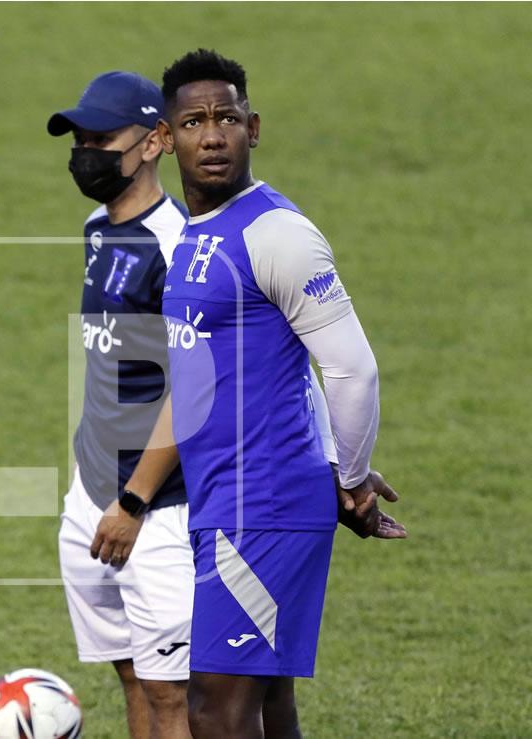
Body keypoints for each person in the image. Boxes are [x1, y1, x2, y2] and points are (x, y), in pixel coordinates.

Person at [152, 49, 406, 737]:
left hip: (260, 502)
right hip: (231, 501)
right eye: (194, 121)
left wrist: (347, 476)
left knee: (215, 706)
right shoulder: (196, 236)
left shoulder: (277, 233)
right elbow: (284, 371)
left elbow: (352, 370)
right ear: (166, 137)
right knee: (265, 705)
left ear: (253, 128)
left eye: (227, 118)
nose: (212, 135)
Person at [47, 71, 194, 738]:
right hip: (91, 492)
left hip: (156, 506)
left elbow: (192, 388)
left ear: (156, 141)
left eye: (104, 138)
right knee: (133, 672)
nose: (88, 152)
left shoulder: (181, 247)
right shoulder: (95, 229)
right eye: (80, 139)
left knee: (171, 691)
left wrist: (133, 501)